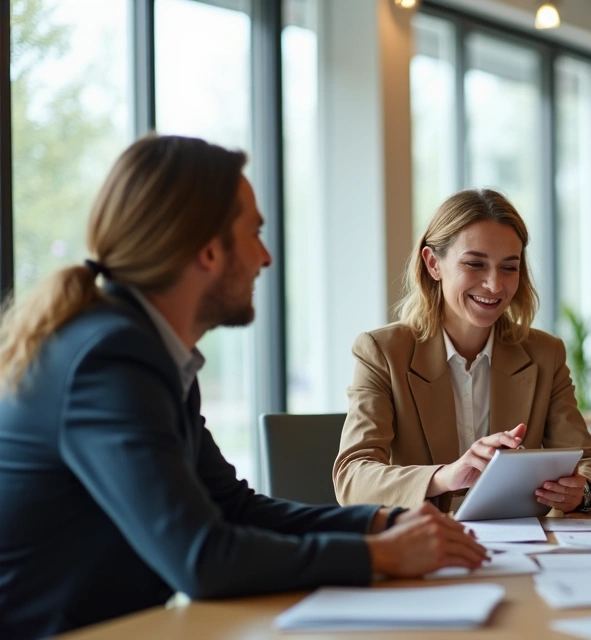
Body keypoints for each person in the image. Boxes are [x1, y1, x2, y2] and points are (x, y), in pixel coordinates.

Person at [0, 135, 487, 640]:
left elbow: (236, 509)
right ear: (209, 250)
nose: (266, 258)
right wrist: (378, 555)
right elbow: (203, 559)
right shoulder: (110, 360)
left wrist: (379, 523)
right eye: (254, 233)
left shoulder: (147, 352)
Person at [333, 189, 591, 514]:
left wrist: (581, 491)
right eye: (475, 264)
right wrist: (446, 476)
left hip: (519, 544)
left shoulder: (545, 354)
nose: (494, 285)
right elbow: (352, 477)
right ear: (433, 263)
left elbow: (587, 461)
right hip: (424, 543)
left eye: (509, 267)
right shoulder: (382, 353)